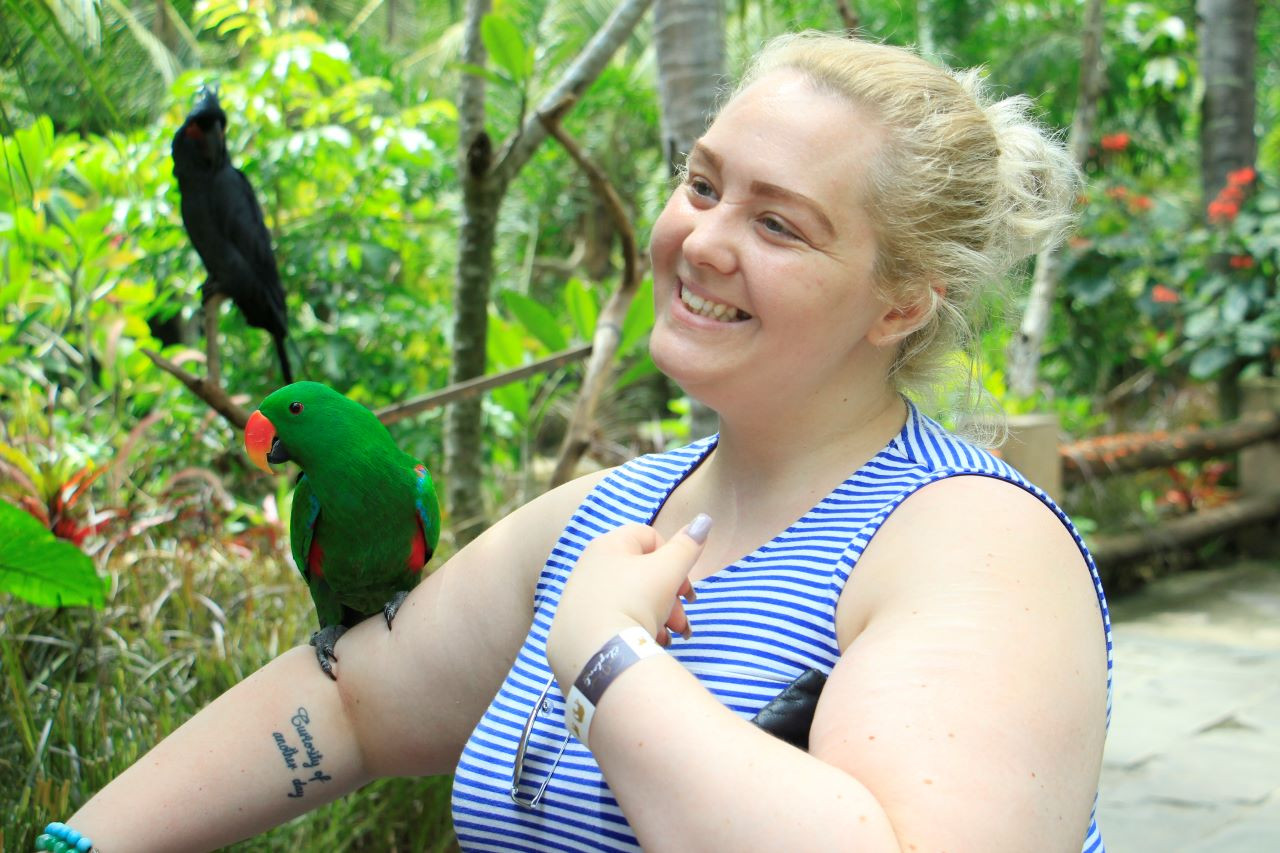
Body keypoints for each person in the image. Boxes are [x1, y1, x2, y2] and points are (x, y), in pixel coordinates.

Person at [46, 31, 1112, 853]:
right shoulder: (609, 511)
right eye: (701, 185)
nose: (701, 238)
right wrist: (79, 841)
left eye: (778, 224)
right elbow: (350, 698)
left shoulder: (973, 542)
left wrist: (609, 656)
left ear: (897, 307)